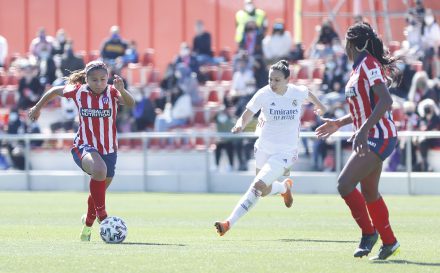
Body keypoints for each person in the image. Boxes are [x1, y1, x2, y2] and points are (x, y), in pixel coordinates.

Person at [315, 22, 400, 260]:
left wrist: (362, 131)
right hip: (372, 135)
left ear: (354, 43)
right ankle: (390, 242)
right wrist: (339, 123)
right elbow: (365, 108)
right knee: (370, 192)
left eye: (347, 39)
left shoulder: (369, 64)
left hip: (380, 136)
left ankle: (368, 233)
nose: (344, 43)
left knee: (344, 184)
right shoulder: (357, 69)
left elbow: (385, 101)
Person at [214, 60, 327, 236]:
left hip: (286, 152)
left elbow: (310, 94)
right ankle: (284, 188)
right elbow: (248, 113)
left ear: (287, 80)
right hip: (263, 147)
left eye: (277, 80)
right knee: (264, 190)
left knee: (257, 185)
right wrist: (239, 125)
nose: (272, 84)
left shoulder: (296, 92)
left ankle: (228, 223)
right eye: (270, 79)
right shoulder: (263, 94)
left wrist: (321, 107)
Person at [28, 60, 135, 241]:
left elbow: (131, 103)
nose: (99, 83)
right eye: (94, 80)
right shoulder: (78, 91)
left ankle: (87, 227)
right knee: (99, 171)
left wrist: (123, 90)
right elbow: (54, 91)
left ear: (107, 78)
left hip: (109, 150)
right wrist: (37, 107)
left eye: (103, 79)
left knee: (97, 191)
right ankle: (103, 217)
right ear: (86, 79)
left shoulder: (112, 92)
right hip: (83, 146)